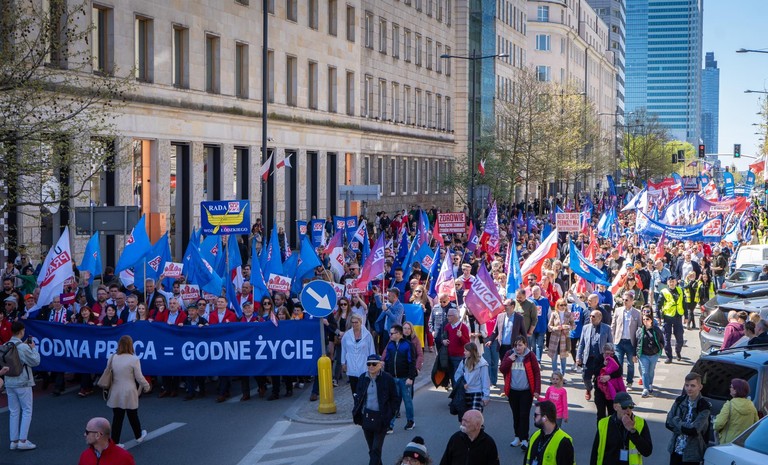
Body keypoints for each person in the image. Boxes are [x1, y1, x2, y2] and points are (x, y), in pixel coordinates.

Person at [352, 354, 400, 465]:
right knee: (372, 450)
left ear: (380, 365)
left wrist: (391, 414)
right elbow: (358, 397)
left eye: (374, 364)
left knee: (376, 449)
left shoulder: (387, 378)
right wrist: (357, 412)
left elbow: (395, 398)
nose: (371, 366)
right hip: (366, 418)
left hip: (381, 419)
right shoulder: (362, 378)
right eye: (369, 364)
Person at [106, 335, 151, 446]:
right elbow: (139, 377)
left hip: (115, 391)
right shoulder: (134, 359)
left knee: (117, 418)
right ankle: (138, 436)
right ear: (131, 345)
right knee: (133, 415)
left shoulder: (112, 357)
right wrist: (146, 386)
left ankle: (115, 442)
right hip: (129, 391)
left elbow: (107, 372)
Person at [499, 335, 541, 449]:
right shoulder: (509, 354)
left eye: (520, 345)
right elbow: (502, 369)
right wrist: (509, 360)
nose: (517, 347)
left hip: (526, 391)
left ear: (525, 345)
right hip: (513, 391)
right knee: (516, 414)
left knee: (524, 415)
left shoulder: (530, 356)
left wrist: (537, 390)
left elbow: (536, 373)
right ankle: (517, 437)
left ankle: (524, 439)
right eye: (516, 345)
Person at [590, 391, 653, 465]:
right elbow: (595, 452)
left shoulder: (640, 423)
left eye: (630, 407)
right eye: (624, 407)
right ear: (615, 407)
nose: (628, 410)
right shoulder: (604, 423)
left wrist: (632, 431)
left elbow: (647, 452)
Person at [5, 321, 40, 451]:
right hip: (23, 381)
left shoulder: (6, 345)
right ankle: (23, 440)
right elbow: (36, 361)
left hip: (9, 380)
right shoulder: (23, 347)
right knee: (27, 410)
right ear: (21, 331)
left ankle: (14, 441)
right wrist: (33, 348)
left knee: (13, 411)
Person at [665, 372, 712, 465]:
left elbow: (693, 430)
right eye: (687, 385)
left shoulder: (704, 406)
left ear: (700, 387)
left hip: (692, 455)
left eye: (693, 386)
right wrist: (685, 428)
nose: (689, 388)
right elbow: (668, 423)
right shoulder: (680, 400)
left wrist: (676, 421)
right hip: (675, 450)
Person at [382, 324, 417, 433]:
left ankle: (410, 421)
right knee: (394, 402)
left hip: (404, 378)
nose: (390, 335)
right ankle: (390, 425)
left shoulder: (408, 345)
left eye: (392, 333)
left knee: (407, 401)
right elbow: (387, 361)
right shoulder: (390, 345)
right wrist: (387, 376)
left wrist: (411, 377)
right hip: (393, 378)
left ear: (398, 334)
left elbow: (412, 362)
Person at [485, 298, 525, 386]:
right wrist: (491, 340)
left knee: (512, 368)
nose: (504, 307)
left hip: (513, 348)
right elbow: (495, 331)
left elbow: (523, 334)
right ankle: (507, 386)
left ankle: (513, 386)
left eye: (506, 305)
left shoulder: (519, 318)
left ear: (512, 306)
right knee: (504, 367)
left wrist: (525, 347)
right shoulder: (500, 316)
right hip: (502, 347)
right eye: (504, 305)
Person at [577, 309, 613, 402]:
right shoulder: (585, 328)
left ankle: (599, 396)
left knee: (599, 379)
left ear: (600, 318)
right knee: (585, 377)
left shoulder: (607, 328)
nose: (591, 318)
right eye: (590, 316)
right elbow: (581, 344)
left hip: (600, 359)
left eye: (593, 316)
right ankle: (588, 388)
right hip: (589, 358)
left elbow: (610, 344)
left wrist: (610, 357)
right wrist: (578, 357)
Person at [525, 400, 575, 465]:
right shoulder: (534, 436)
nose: (533, 417)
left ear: (544, 418)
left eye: (536, 415)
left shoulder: (563, 442)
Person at [713, 378, 759, 444]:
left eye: (731, 387)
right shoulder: (752, 406)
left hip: (728, 443)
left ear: (736, 391)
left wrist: (715, 422)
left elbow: (718, 424)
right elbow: (756, 425)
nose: (730, 388)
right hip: (744, 443)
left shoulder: (729, 405)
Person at [610, 290, 641, 388]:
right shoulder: (618, 310)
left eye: (626, 300)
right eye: (623, 299)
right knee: (618, 363)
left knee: (630, 364)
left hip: (630, 342)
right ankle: (619, 382)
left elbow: (639, 329)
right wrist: (612, 339)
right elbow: (613, 326)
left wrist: (638, 343)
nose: (624, 301)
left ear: (632, 301)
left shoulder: (637, 313)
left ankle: (629, 382)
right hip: (619, 341)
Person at [341, 313, 376, 394]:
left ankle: (363, 402)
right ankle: (356, 402)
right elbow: (344, 349)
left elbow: (372, 350)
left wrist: (372, 364)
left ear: (360, 322)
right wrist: (343, 363)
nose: (354, 324)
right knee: (354, 390)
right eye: (352, 322)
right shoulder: (347, 335)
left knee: (364, 389)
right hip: (351, 364)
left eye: (356, 322)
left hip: (364, 365)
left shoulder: (367, 335)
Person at [454, 343, 490, 417]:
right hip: (465, 392)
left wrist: (486, 396)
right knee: (465, 417)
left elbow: (485, 380)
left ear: (471, 352)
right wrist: (463, 383)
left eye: (466, 351)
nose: (464, 352)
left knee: (475, 417)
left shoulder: (482, 364)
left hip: (477, 392)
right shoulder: (464, 361)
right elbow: (457, 375)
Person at [636, 307, 664, 398]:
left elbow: (662, 340)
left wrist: (659, 349)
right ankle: (645, 389)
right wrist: (635, 354)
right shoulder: (640, 330)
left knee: (651, 371)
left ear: (651, 320)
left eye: (647, 319)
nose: (645, 321)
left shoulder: (656, 330)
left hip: (654, 355)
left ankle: (650, 384)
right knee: (644, 372)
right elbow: (636, 343)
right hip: (643, 355)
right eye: (644, 319)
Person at [657, 276, 685, 363]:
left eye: (673, 281)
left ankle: (678, 351)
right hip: (667, 317)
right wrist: (658, 317)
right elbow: (658, 306)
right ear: (667, 283)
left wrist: (687, 316)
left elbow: (684, 303)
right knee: (667, 338)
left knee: (680, 338)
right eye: (670, 282)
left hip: (678, 316)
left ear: (676, 282)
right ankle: (669, 357)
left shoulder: (680, 290)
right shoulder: (663, 292)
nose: (671, 283)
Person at [442, 308, 470, 389]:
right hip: (449, 356)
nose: (447, 317)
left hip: (459, 357)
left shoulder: (463, 327)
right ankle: (455, 393)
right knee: (452, 377)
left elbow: (467, 343)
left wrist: (461, 336)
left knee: (457, 377)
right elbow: (443, 337)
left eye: (449, 316)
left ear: (454, 316)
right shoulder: (447, 327)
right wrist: (443, 341)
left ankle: (458, 394)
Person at [547, 298, 574, 375]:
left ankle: (562, 375)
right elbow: (549, 326)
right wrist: (556, 328)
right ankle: (555, 374)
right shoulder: (554, 314)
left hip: (564, 338)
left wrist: (567, 327)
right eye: (561, 305)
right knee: (554, 357)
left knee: (563, 357)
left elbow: (573, 326)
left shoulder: (569, 314)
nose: (563, 307)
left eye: (565, 305)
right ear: (557, 305)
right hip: (554, 338)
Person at [596, 343, 625, 409]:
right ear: (603, 352)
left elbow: (619, 371)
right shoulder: (598, 358)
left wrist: (609, 376)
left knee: (612, 410)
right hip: (600, 388)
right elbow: (595, 371)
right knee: (601, 410)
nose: (609, 356)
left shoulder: (614, 358)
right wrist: (603, 365)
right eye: (607, 354)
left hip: (612, 387)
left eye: (611, 354)